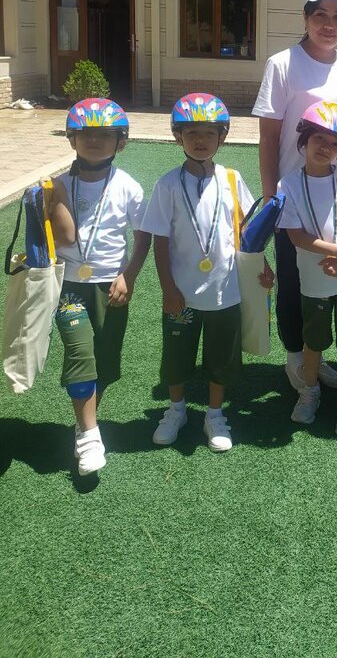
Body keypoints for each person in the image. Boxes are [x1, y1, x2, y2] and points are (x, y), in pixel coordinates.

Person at [253, 0, 337, 394]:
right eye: (320, 15)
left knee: (332, 278)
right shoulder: (282, 64)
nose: (329, 24)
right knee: (294, 279)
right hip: (294, 194)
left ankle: (316, 355)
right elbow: (268, 137)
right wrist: (271, 197)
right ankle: (297, 359)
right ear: (305, 17)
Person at [142, 93, 264, 453]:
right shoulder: (167, 184)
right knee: (176, 357)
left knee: (220, 358)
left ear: (222, 137)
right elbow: (160, 241)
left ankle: (214, 414)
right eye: (191, 132)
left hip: (226, 291)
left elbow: (246, 231)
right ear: (177, 136)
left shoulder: (232, 179)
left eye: (209, 132)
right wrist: (168, 288)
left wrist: (264, 266)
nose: (200, 140)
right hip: (181, 292)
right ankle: (176, 410)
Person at [48, 98, 150, 477]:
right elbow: (59, 236)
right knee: (80, 352)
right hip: (69, 286)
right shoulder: (58, 186)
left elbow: (142, 236)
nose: (94, 141)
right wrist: (53, 197)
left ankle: (84, 423)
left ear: (120, 142)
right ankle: (90, 437)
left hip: (111, 286)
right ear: (72, 139)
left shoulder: (128, 187)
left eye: (104, 135)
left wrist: (129, 276)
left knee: (103, 362)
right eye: (86, 134)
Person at [277, 102, 337, 436]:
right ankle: (310, 391)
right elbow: (295, 235)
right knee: (313, 340)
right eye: (319, 138)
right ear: (304, 139)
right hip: (314, 279)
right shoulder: (288, 184)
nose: (326, 147)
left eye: (335, 143)